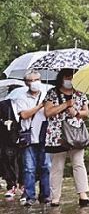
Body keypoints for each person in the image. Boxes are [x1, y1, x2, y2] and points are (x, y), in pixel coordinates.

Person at [44, 69, 89, 207]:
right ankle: (55, 197)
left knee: (78, 163)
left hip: (76, 133)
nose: (69, 80)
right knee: (57, 166)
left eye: (72, 77)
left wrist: (76, 112)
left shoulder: (79, 93)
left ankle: (83, 194)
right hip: (57, 134)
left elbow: (86, 113)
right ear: (61, 78)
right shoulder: (52, 93)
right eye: (67, 77)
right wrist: (65, 105)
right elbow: (48, 112)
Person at [14, 70, 50, 206]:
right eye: (32, 80)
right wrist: (40, 105)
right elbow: (24, 115)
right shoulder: (21, 98)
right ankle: (29, 196)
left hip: (44, 135)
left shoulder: (47, 94)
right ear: (27, 83)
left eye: (37, 79)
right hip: (28, 137)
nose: (35, 82)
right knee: (29, 168)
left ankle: (45, 195)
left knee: (46, 166)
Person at [0, 96, 22, 199]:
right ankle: (11, 185)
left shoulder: (31, 103)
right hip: (9, 137)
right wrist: (4, 123)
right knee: (8, 160)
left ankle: (23, 184)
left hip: (25, 135)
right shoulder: (4, 104)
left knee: (23, 161)